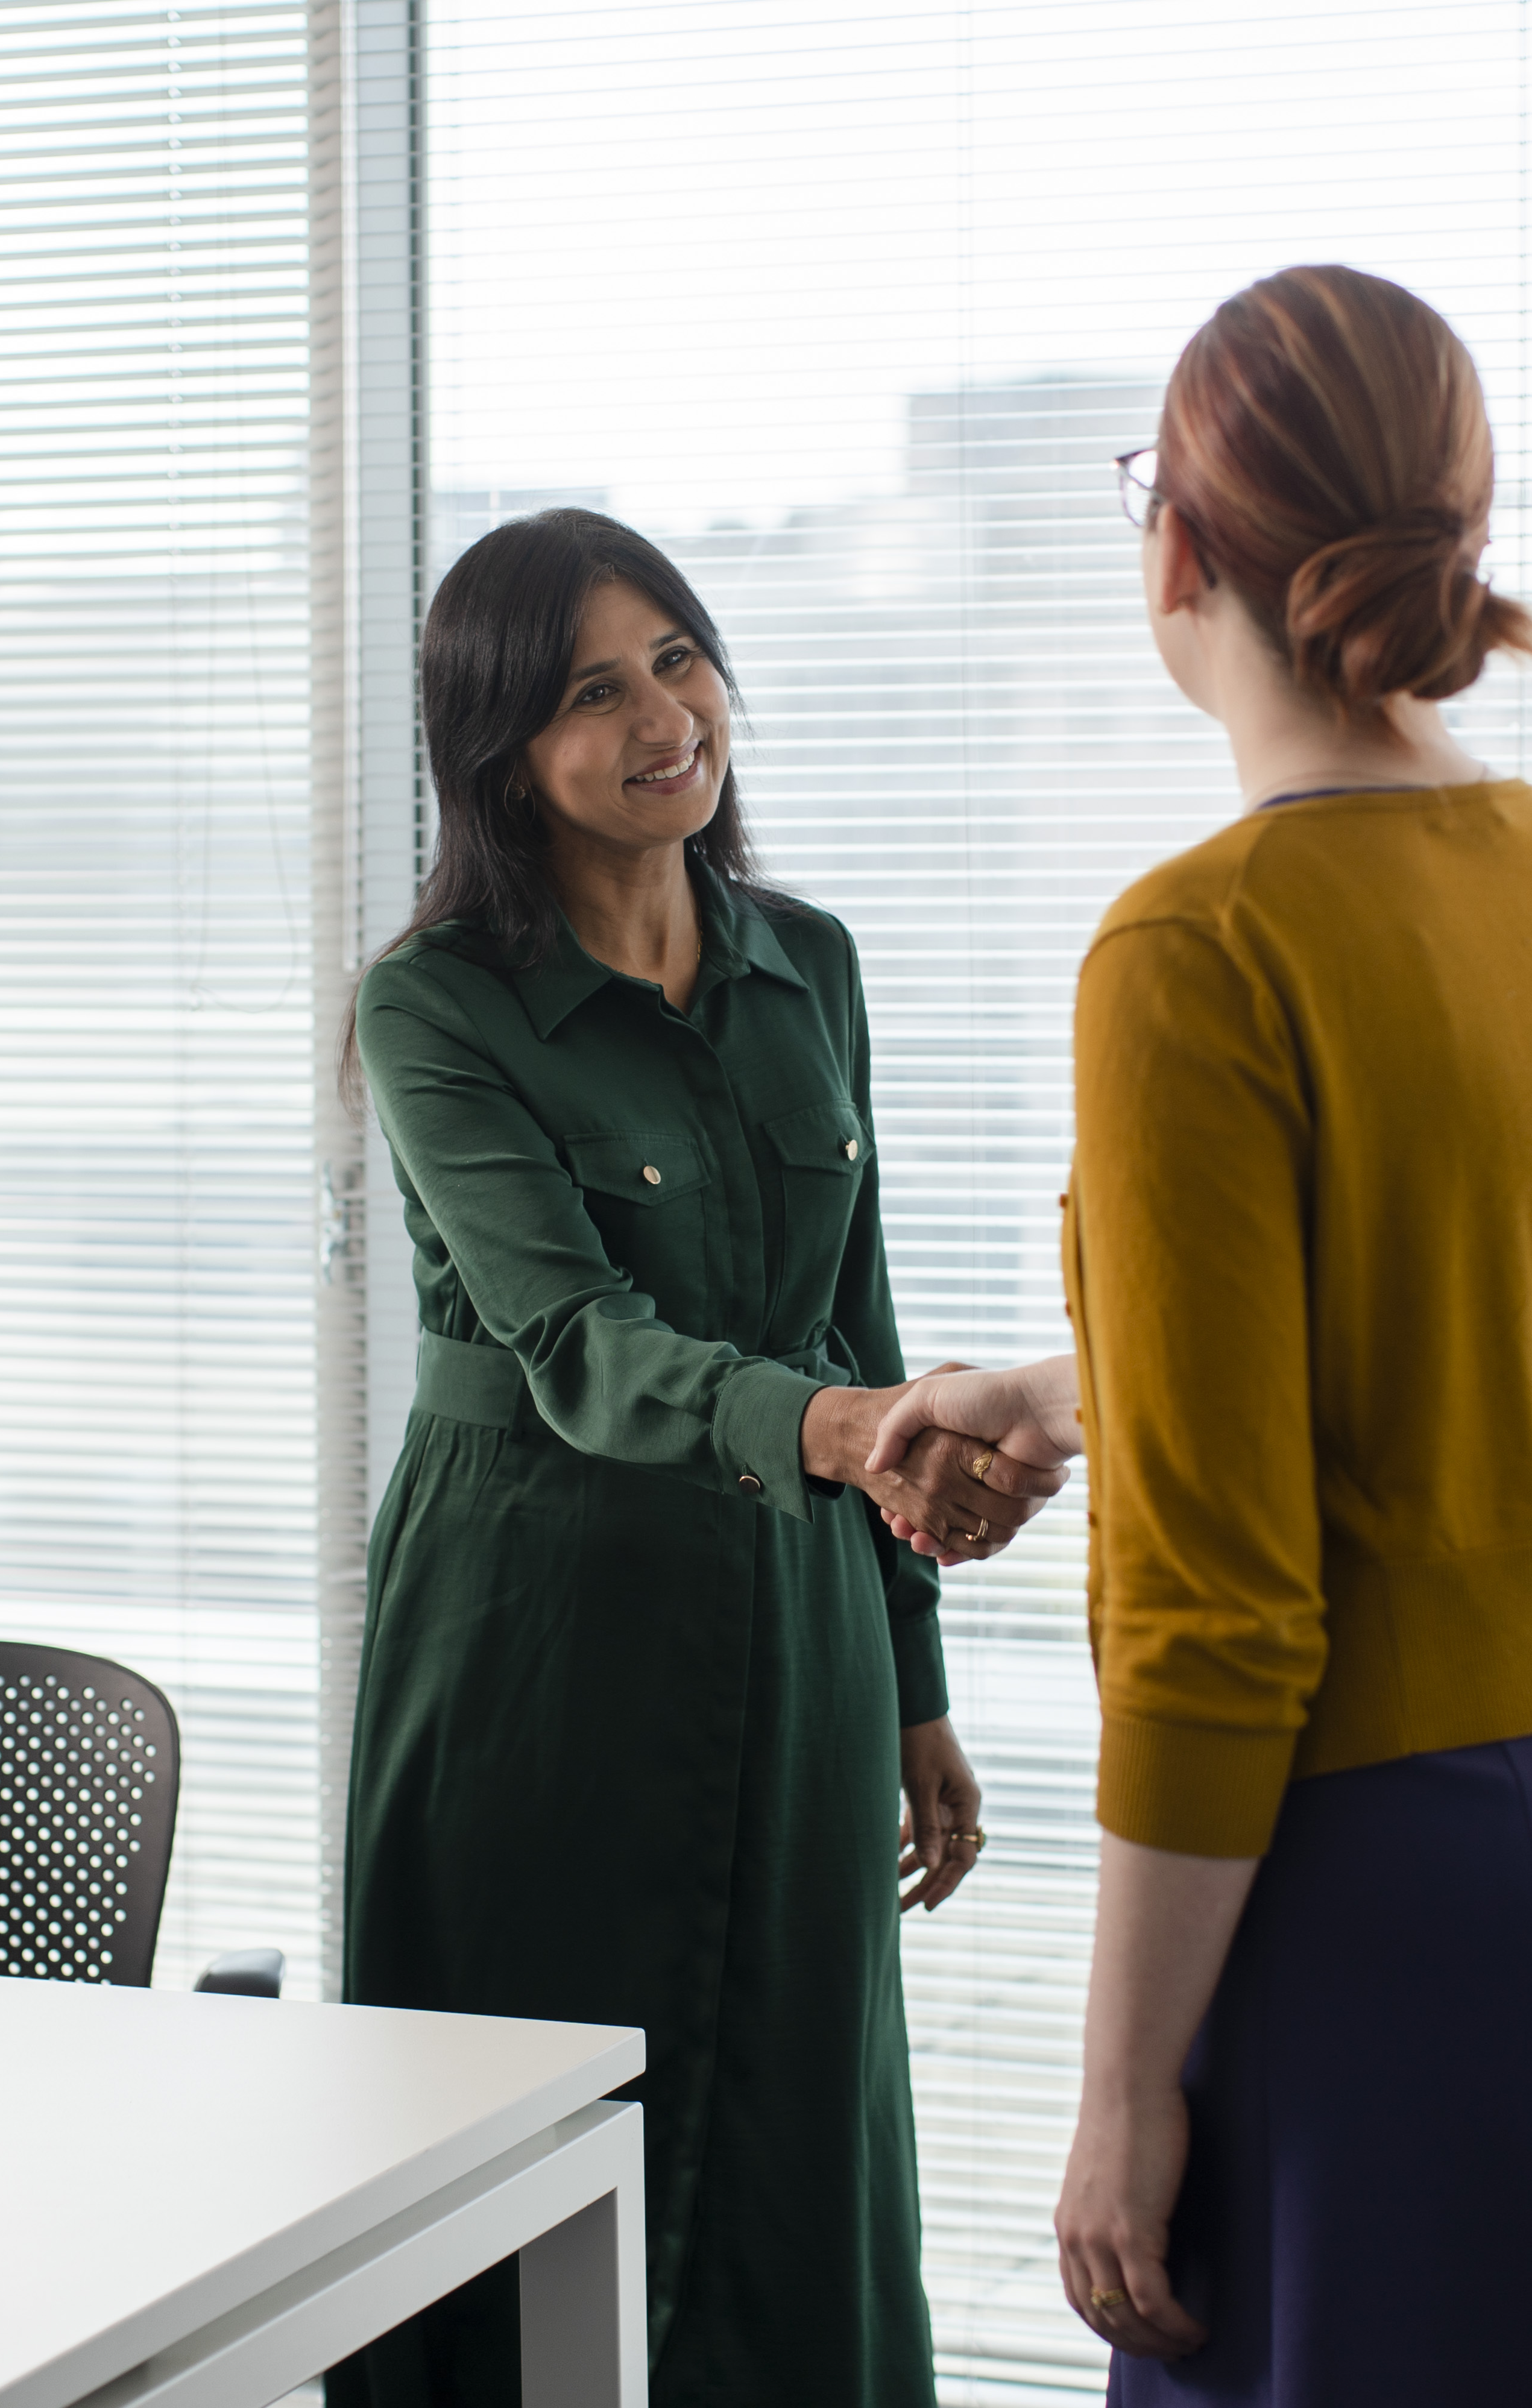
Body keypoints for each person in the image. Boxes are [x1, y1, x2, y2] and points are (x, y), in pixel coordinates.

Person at [869, 266, 1532, 2405]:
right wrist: (1068, 1397)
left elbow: (1223, 1612)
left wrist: (1123, 2088)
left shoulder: (1198, 949)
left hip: (1428, 1926)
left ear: (1177, 545)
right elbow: (1489, 1359)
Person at [331, 508, 1062, 2408]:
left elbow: (860, 1318)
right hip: (537, 1632)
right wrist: (848, 1431)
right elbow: (576, 1340)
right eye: (594, 691)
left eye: (679, 657)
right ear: (504, 754)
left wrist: (913, 1677)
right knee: (526, 2141)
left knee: (796, 2138)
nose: (665, 716)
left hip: (807, 1616)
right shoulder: (432, 1006)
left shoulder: (810, 963)